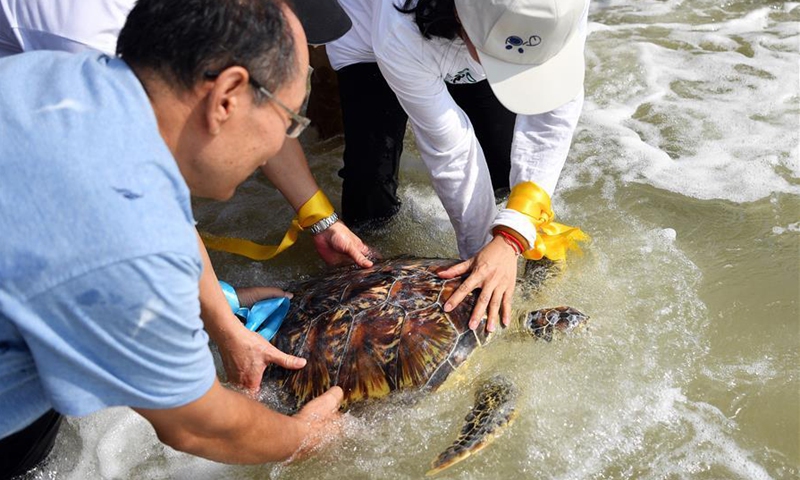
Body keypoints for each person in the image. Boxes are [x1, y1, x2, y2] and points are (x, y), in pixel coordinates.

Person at [0, 1, 346, 477]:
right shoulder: (129, 236)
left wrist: (214, 302)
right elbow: (197, 425)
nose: (278, 144)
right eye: (290, 121)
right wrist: (303, 436)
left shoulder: (50, 72)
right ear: (227, 96)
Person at [325, 0, 590, 333]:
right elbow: (451, 149)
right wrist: (481, 259)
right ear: (462, 22)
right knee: (368, 200)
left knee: (503, 173)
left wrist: (511, 235)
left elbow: (555, 110)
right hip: (371, 37)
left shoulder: (561, 8)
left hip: (487, 40)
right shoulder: (399, 30)